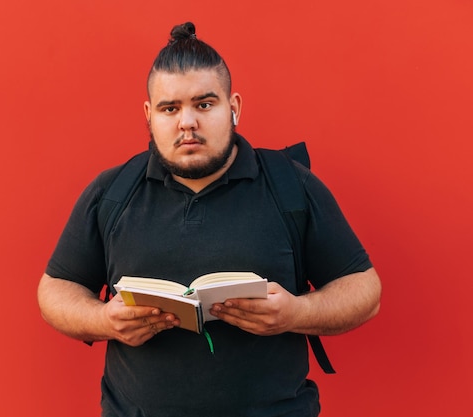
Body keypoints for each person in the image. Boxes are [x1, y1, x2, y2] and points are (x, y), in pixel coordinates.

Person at [37, 21, 381, 417]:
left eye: (204, 104)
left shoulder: (291, 185)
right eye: (170, 108)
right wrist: (104, 321)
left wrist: (295, 314)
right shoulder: (112, 191)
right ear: (149, 115)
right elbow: (54, 290)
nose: (187, 123)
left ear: (233, 108)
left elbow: (364, 291)